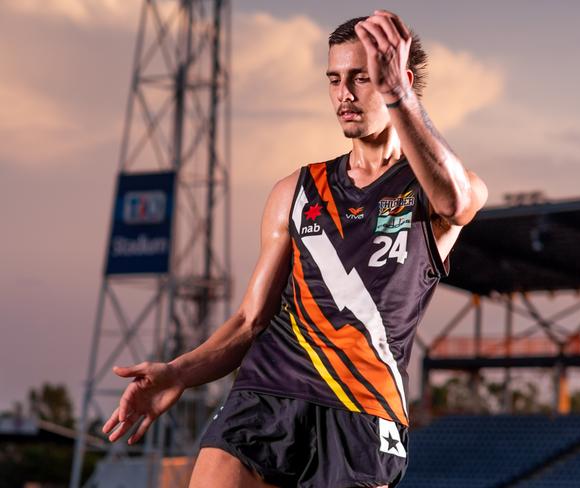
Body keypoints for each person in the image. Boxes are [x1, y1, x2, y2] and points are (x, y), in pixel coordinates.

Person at [103, 10, 488, 488]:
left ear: (399, 81)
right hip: (267, 391)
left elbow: (458, 201)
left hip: (361, 411)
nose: (344, 94)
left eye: (362, 78)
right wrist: (179, 373)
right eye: (335, 79)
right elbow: (250, 321)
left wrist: (400, 98)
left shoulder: (433, 188)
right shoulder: (297, 190)